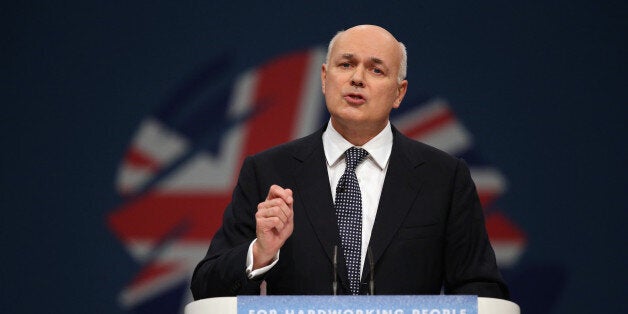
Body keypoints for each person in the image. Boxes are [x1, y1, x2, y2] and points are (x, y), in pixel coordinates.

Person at [190, 24, 508, 298]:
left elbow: (481, 289)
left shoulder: (445, 178)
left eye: (376, 69)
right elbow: (206, 286)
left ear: (399, 93)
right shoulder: (268, 171)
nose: (357, 78)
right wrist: (260, 253)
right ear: (325, 78)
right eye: (346, 65)